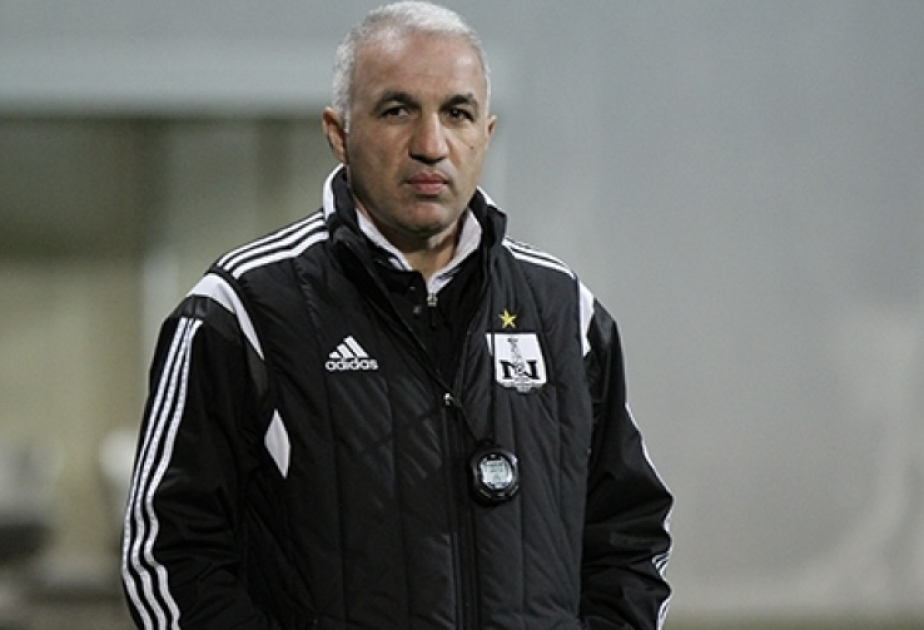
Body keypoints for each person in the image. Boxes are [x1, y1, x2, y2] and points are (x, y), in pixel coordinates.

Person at [120, 2, 673, 628]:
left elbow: (629, 539)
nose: (431, 145)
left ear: (486, 134)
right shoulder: (244, 311)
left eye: (457, 113)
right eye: (397, 110)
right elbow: (166, 555)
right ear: (339, 133)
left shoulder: (563, 312)